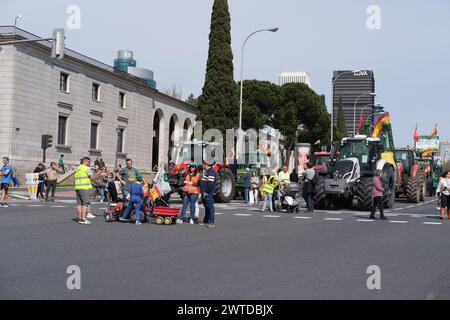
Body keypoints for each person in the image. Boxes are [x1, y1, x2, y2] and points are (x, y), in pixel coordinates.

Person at [75, 157, 94, 225]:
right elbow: (92, 178)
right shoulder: (87, 168)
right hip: (85, 188)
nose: (89, 164)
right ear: (86, 161)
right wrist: (97, 175)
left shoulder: (78, 168)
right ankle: (84, 219)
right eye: (89, 162)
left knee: (79, 204)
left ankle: (80, 219)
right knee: (85, 204)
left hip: (77, 187)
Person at [200, 160, 217, 228]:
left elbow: (211, 184)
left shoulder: (211, 172)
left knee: (210, 207)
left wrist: (206, 192)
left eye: (203, 164)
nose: (202, 165)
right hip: (205, 193)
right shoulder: (207, 172)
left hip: (208, 193)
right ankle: (206, 220)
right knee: (207, 207)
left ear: (205, 164)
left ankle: (212, 222)